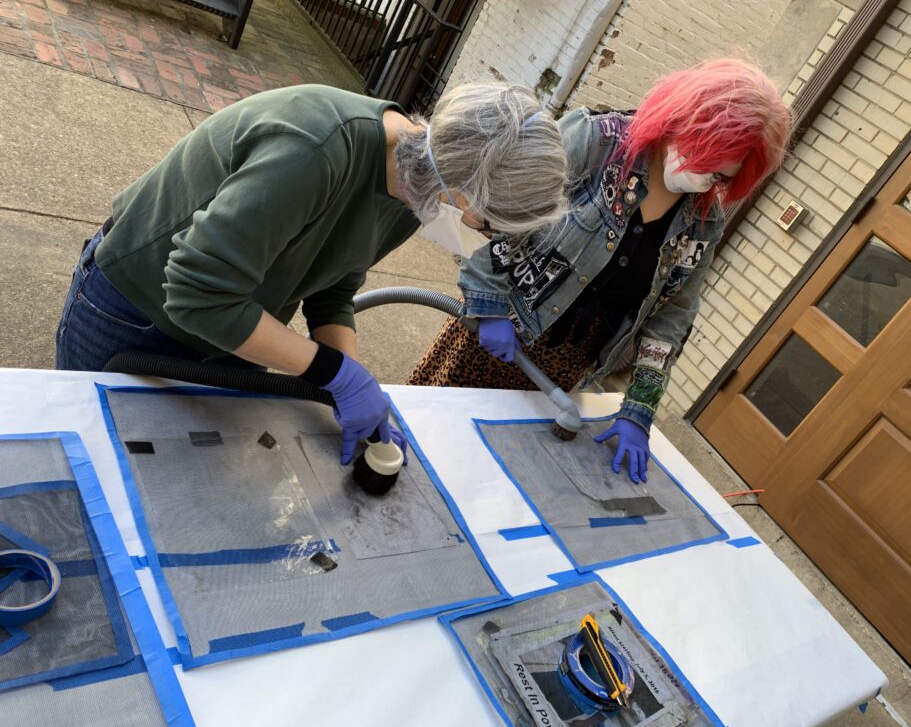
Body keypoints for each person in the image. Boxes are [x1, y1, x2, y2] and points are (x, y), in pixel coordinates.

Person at [55, 82, 568, 464]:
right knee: (86, 465)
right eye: (489, 221)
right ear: (463, 182)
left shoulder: (418, 184)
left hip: (235, 328)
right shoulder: (316, 150)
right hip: (134, 309)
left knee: (180, 472)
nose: (483, 236)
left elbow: (336, 279)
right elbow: (197, 295)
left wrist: (352, 374)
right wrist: (331, 374)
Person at [410, 59, 791, 483]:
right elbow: (499, 208)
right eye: (705, 158)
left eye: (720, 176)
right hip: (497, 334)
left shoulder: (704, 223)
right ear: (682, 119)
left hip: (567, 366)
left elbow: (672, 316)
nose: (705, 180)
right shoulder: (596, 142)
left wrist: (639, 407)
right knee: (432, 437)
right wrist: (486, 303)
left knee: (495, 472)